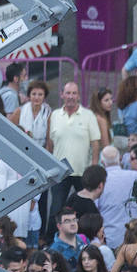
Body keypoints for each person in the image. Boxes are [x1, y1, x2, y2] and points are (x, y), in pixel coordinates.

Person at [47, 82, 101, 236]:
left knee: (87, 209)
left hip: (83, 172)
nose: (71, 97)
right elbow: (49, 144)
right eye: (68, 93)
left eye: (74, 93)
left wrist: (94, 167)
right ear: (62, 94)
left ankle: (90, 238)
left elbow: (95, 143)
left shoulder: (88, 115)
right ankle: (51, 240)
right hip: (60, 172)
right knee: (56, 209)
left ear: (78, 95)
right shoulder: (55, 115)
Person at [97, 145, 137, 250]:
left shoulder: (98, 183)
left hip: (111, 239)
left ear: (102, 162)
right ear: (120, 159)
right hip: (136, 239)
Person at [48, 207, 88, 272]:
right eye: (67, 221)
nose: (73, 223)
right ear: (59, 226)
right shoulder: (54, 250)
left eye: (74, 220)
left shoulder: (83, 238)